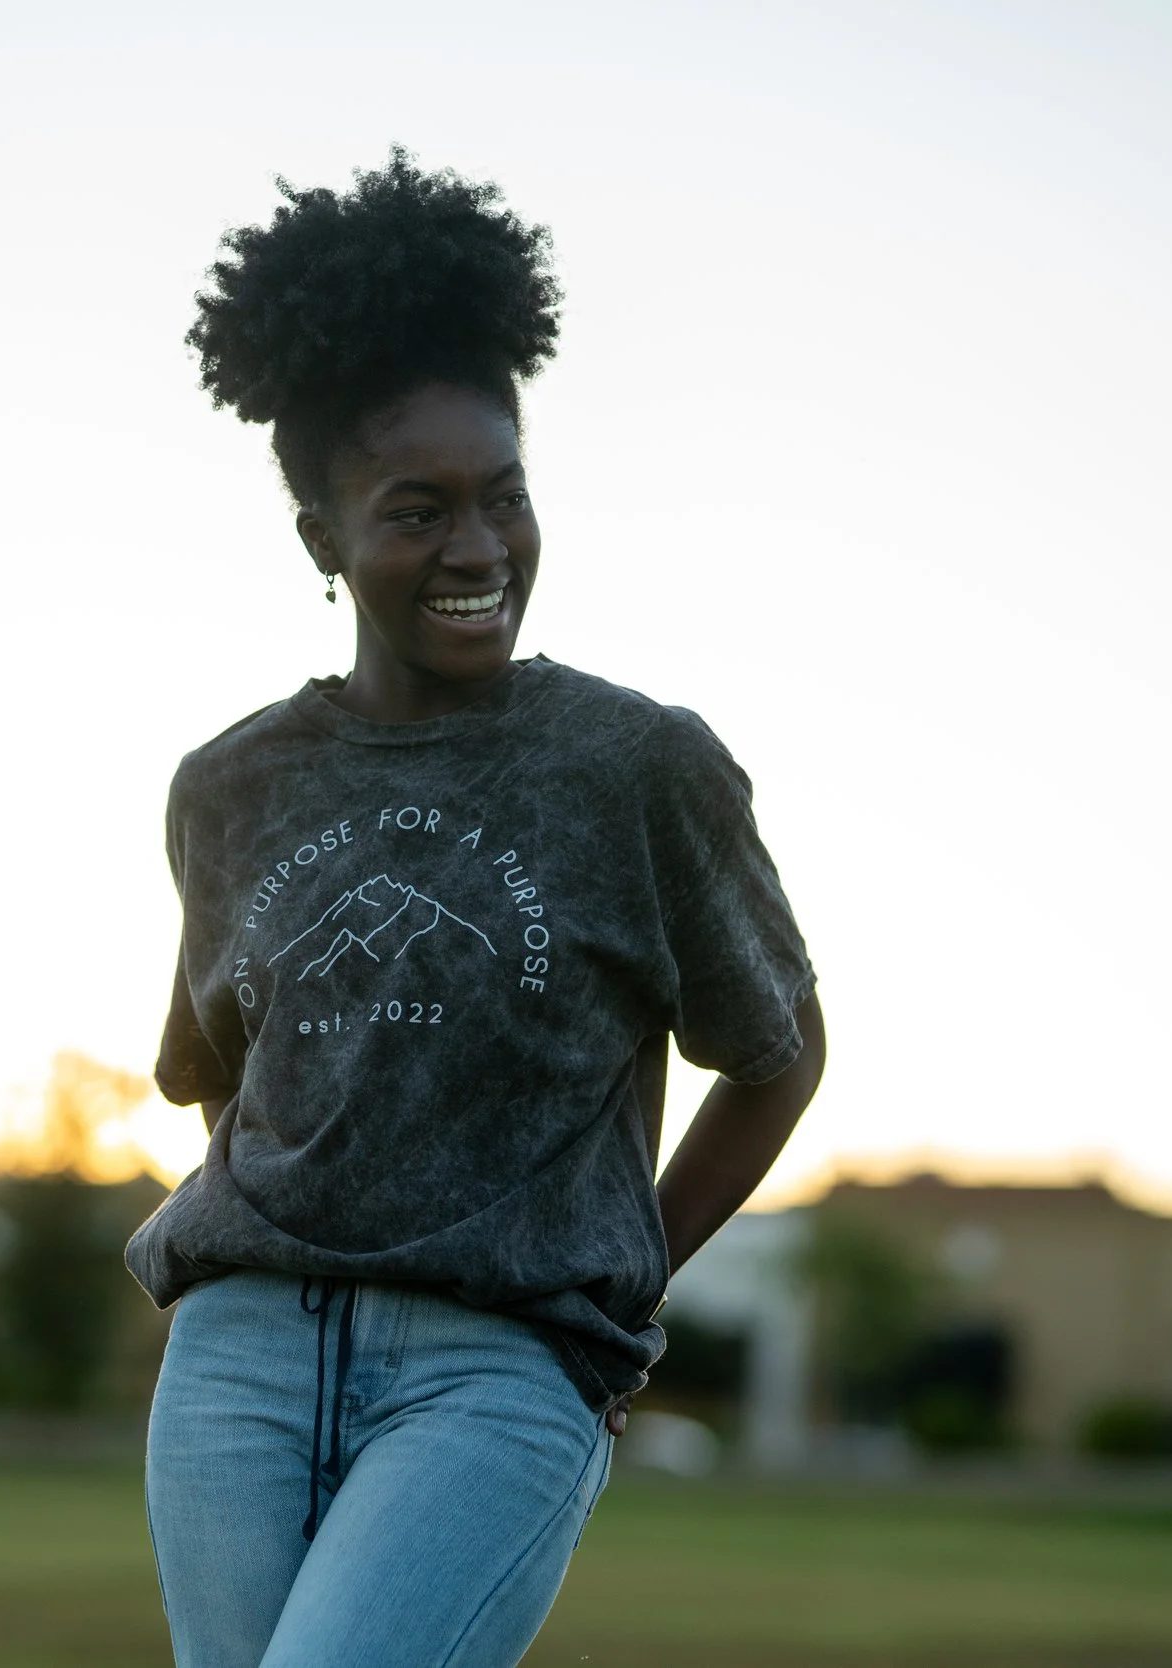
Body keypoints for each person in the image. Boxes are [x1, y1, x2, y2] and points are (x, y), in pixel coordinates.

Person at [127, 150, 826, 1668]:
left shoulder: (636, 766)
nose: (478, 550)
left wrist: (627, 1280)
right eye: (417, 510)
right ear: (324, 538)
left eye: (504, 498)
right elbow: (230, 1086)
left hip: (492, 1376)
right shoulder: (229, 785)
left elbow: (777, 1051)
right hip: (236, 1363)